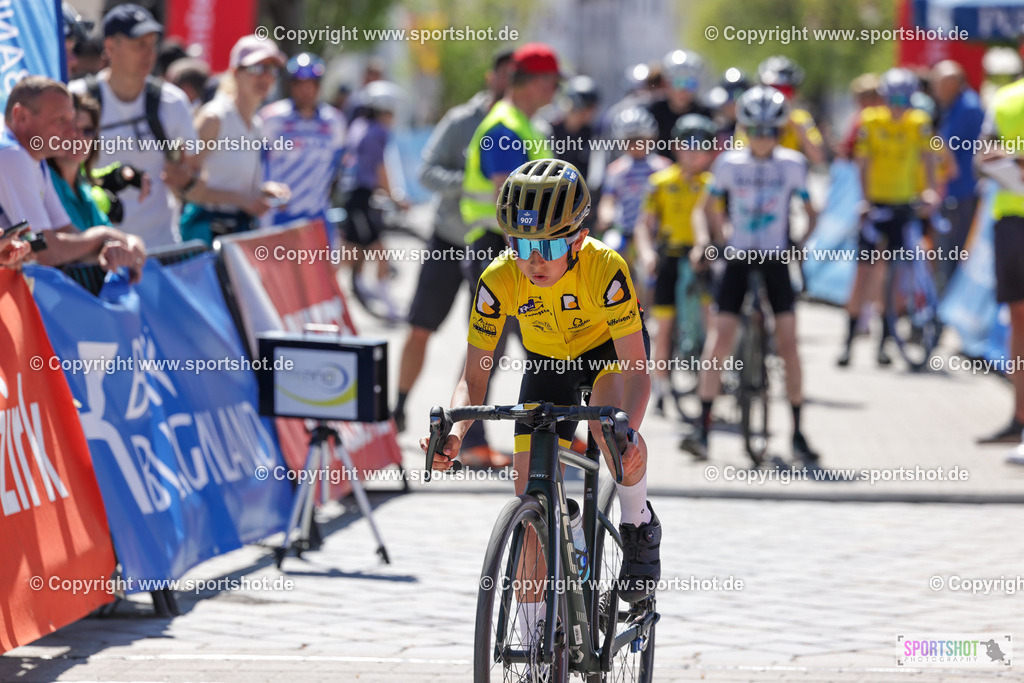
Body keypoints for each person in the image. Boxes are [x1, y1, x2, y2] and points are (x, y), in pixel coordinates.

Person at [423, 158, 660, 617]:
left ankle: (637, 524)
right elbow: (474, 379)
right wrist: (453, 433)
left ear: (579, 239)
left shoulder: (605, 267)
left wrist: (627, 433)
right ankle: (533, 637)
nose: (533, 260)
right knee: (529, 499)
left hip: (606, 356)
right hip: (547, 364)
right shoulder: (497, 278)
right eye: (522, 243)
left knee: (606, 436)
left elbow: (636, 371)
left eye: (548, 247)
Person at [392, 47, 515, 469]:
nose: (513, 85)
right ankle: (397, 409)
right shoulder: (463, 121)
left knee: (484, 339)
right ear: (492, 77)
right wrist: (473, 181)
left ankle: (470, 432)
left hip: (493, 248)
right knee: (421, 326)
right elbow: (427, 172)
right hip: (449, 238)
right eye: (508, 76)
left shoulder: (526, 127)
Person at [683, 86, 818, 461]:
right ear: (743, 129)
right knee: (720, 338)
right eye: (754, 131)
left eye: (770, 131)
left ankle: (797, 431)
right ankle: (704, 427)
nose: (761, 139)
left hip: (776, 260)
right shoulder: (728, 163)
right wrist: (704, 241)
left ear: (779, 131)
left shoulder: (793, 164)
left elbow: (811, 210)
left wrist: (800, 242)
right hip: (737, 258)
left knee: (790, 343)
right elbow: (703, 208)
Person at [69, 4, 199, 249]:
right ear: (110, 47)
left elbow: (193, 175)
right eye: (139, 44)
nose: (149, 53)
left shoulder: (173, 102)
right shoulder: (76, 99)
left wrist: (185, 180)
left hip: (158, 248)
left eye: (153, 44)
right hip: (94, 251)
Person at [837, 68, 938, 368]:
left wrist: (930, 191)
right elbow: (862, 162)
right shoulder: (870, 120)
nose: (898, 105)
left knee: (893, 279)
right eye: (893, 98)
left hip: (904, 205)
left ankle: (885, 343)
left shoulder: (919, 123)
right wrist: (865, 199)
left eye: (904, 99)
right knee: (864, 274)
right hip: (876, 205)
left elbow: (928, 158)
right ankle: (848, 342)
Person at [0, 77, 145, 281]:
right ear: (20, 116)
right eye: (61, 120)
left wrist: (111, 246)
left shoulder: (33, 157)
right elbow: (47, 252)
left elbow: (66, 233)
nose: (71, 132)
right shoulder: (11, 155)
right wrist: (104, 236)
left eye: (74, 121)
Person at [634, 114, 716, 414]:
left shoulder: (713, 184)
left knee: (713, 321)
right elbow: (645, 224)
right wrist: (646, 253)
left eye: (701, 146)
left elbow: (722, 224)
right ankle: (662, 388)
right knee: (663, 325)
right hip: (669, 255)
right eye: (686, 145)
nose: (693, 152)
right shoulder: (660, 182)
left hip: (702, 258)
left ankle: (713, 384)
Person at [179, 35, 290, 246]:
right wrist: (242, 199)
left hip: (237, 233)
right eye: (257, 68)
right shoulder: (214, 118)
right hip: (205, 235)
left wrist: (262, 191)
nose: (265, 77)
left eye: (271, 70)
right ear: (235, 73)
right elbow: (184, 186)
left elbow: (229, 181)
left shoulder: (256, 123)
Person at [975, 59, 1024, 448]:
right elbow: (983, 156)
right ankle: (1020, 418)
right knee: (1018, 322)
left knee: (1019, 323)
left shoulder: (1005, 98)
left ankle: (1019, 418)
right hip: (1011, 222)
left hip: (1011, 224)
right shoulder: (1005, 98)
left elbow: (984, 155)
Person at [340, 79, 407, 315]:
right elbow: (380, 169)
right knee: (378, 250)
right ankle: (386, 300)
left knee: (354, 250)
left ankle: (340, 286)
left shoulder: (358, 124)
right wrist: (396, 198)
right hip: (361, 197)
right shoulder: (378, 132)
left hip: (354, 195)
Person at [260, 53, 346, 234]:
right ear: (291, 86)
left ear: (318, 86)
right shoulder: (272, 118)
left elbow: (337, 165)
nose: (305, 91)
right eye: (300, 84)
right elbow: (258, 164)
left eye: (311, 85)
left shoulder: (334, 121)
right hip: (278, 217)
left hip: (318, 216)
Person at [47, 92, 150, 231]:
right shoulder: (42, 181)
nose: (79, 137)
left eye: (88, 131)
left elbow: (96, 179)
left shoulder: (83, 186)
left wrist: (120, 175)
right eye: (71, 129)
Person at [596, 106, 670, 296]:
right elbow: (608, 199)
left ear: (650, 138)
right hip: (626, 230)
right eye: (629, 140)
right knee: (612, 250)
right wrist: (606, 215)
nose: (635, 145)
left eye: (640, 139)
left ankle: (650, 314)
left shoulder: (662, 168)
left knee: (651, 273)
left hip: (654, 233)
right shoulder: (617, 170)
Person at [931, 60, 984, 289]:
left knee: (954, 254)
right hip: (957, 192)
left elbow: (945, 150)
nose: (935, 89)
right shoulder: (956, 106)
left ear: (953, 82)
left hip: (962, 193)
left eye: (939, 83)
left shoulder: (967, 107)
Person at [550, 75, 601, 232]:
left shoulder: (591, 133)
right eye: (588, 107)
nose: (590, 113)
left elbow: (596, 174)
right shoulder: (550, 130)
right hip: (552, 203)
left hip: (581, 205)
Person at [754, 56, 826, 165]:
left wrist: (795, 127)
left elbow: (818, 158)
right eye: (773, 88)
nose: (779, 94)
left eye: (786, 90)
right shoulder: (751, 117)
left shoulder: (801, 118)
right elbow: (740, 151)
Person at [647, 50, 712, 161]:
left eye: (691, 83)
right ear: (666, 83)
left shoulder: (706, 114)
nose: (683, 90)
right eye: (678, 82)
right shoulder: (652, 114)